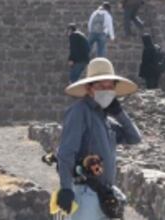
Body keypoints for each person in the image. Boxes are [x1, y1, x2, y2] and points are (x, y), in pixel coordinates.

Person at [54, 58, 141, 218]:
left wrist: (119, 113)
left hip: (105, 193)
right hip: (86, 193)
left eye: (110, 87)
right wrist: (65, 188)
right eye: (101, 86)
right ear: (89, 88)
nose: (106, 90)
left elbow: (134, 138)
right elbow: (66, 151)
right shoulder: (80, 112)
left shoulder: (105, 119)